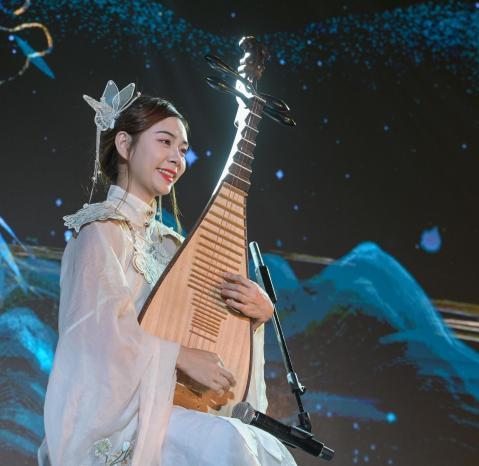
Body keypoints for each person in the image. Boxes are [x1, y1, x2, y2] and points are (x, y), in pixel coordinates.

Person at [37, 84, 298, 466]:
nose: (178, 157)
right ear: (124, 145)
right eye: (165, 142)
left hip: (178, 404)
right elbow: (93, 336)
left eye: (183, 148)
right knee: (226, 442)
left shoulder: (173, 246)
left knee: (267, 448)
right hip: (129, 416)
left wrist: (254, 318)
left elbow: (211, 333)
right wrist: (178, 356)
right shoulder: (99, 232)